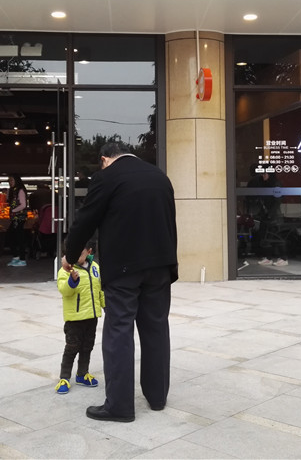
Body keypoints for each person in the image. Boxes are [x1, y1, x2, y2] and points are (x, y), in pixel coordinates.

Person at [63, 141, 178, 423]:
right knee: (156, 329)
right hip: (160, 266)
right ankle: (157, 397)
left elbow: (85, 220)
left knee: (119, 331)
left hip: (124, 269)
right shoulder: (159, 176)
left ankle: (120, 406)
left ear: (104, 159)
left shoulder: (106, 177)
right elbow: (170, 222)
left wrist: (70, 255)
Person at [55, 239, 105, 394]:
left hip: (92, 316)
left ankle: (82, 374)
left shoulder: (95, 267)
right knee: (72, 347)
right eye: (72, 252)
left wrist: (105, 305)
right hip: (75, 319)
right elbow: (64, 290)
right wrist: (72, 280)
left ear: (89, 251)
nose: (75, 256)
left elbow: (100, 289)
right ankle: (64, 377)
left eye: (80, 252)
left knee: (87, 346)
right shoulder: (66, 270)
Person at [247, 166, 286, 266]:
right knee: (264, 236)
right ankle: (268, 257)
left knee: (276, 237)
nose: (263, 175)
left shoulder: (275, 184)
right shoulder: (263, 184)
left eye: (265, 174)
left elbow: (277, 202)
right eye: (262, 174)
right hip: (265, 214)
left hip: (273, 215)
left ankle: (283, 258)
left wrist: (270, 214)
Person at [6, 174, 28, 267]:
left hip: (19, 218)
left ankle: (21, 259)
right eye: (9, 181)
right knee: (14, 237)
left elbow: (23, 205)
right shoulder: (13, 191)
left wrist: (13, 210)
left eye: (12, 180)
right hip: (15, 218)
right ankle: (16, 257)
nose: (10, 182)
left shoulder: (20, 191)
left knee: (17, 237)